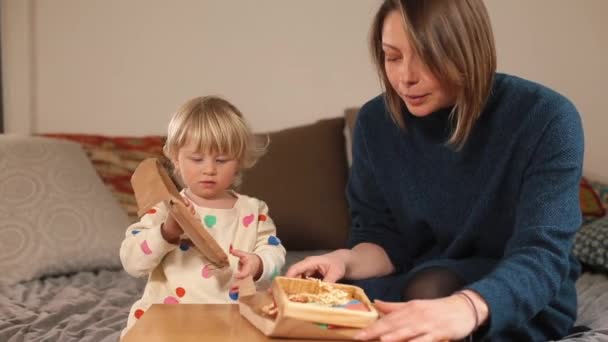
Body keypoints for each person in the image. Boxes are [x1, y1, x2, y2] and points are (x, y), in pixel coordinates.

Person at [286, 0, 584, 341]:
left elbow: (542, 255)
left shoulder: (547, 118)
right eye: (393, 57)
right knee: (335, 303)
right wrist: (344, 260)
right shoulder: (374, 123)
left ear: (466, 48)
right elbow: (383, 239)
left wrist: (467, 307)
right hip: (415, 277)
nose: (405, 77)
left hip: (513, 292)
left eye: (426, 56)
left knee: (430, 288)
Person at [120, 96, 286, 336]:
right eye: (197, 159)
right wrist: (166, 233)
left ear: (238, 161)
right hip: (170, 321)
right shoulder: (165, 209)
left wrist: (258, 263)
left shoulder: (253, 210)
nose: (209, 169)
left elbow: (274, 251)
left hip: (232, 320)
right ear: (176, 158)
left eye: (221, 159)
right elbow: (132, 261)